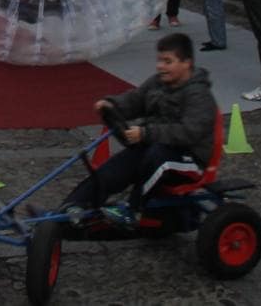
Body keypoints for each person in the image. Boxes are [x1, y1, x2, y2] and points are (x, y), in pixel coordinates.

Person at [62, 33, 217, 217]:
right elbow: (136, 99)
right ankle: (71, 207)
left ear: (186, 63)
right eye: (159, 61)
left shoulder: (198, 94)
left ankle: (133, 209)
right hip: (157, 147)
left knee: (159, 158)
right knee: (117, 167)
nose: (161, 67)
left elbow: (189, 132)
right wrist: (111, 105)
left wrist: (146, 133)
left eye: (168, 62)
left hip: (191, 158)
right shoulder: (158, 82)